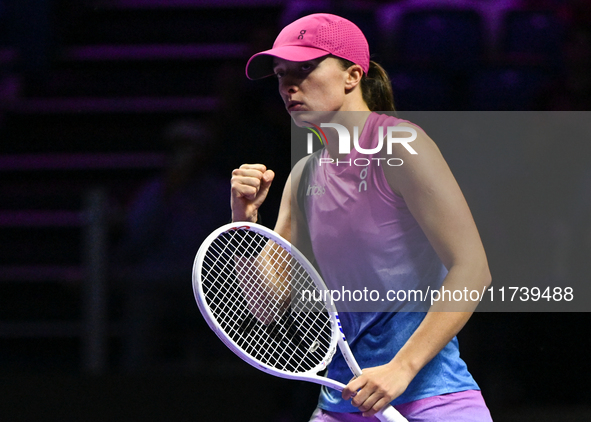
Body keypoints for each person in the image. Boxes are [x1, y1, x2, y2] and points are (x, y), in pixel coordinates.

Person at [231, 13, 493, 422]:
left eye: (305, 68)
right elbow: (265, 307)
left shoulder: (400, 147)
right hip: (342, 404)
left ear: (352, 75)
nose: (288, 85)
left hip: (432, 401)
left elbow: (473, 269)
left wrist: (401, 369)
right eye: (281, 74)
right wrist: (245, 219)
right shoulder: (304, 175)